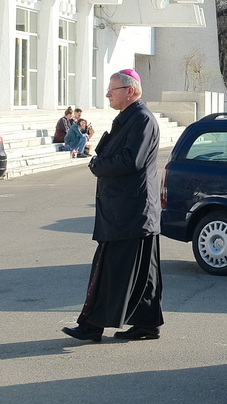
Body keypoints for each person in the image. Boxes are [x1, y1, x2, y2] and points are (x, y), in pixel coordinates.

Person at [64, 70, 165, 342]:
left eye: (113, 89)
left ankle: (92, 325)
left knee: (111, 270)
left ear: (129, 91)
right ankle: (146, 324)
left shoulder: (141, 119)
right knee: (142, 272)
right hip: (133, 211)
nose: (108, 94)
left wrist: (98, 166)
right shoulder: (131, 118)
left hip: (130, 212)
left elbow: (131, 160)